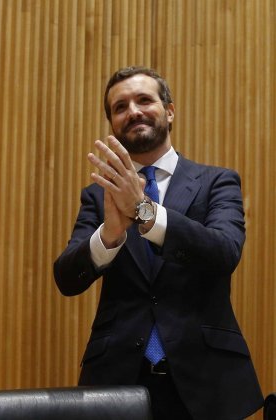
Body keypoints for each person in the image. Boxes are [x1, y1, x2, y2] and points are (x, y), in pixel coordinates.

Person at [53, 66, 263, 420]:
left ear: (169, 110)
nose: (133, 111)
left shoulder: (216, 182)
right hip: (118, 380)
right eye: (120, 107)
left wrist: (144, 212)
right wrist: (110, 235)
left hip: (207, 381)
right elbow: (67, 279)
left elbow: (225, 252)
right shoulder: (97, 197)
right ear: (113, 125)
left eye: (144, 100)